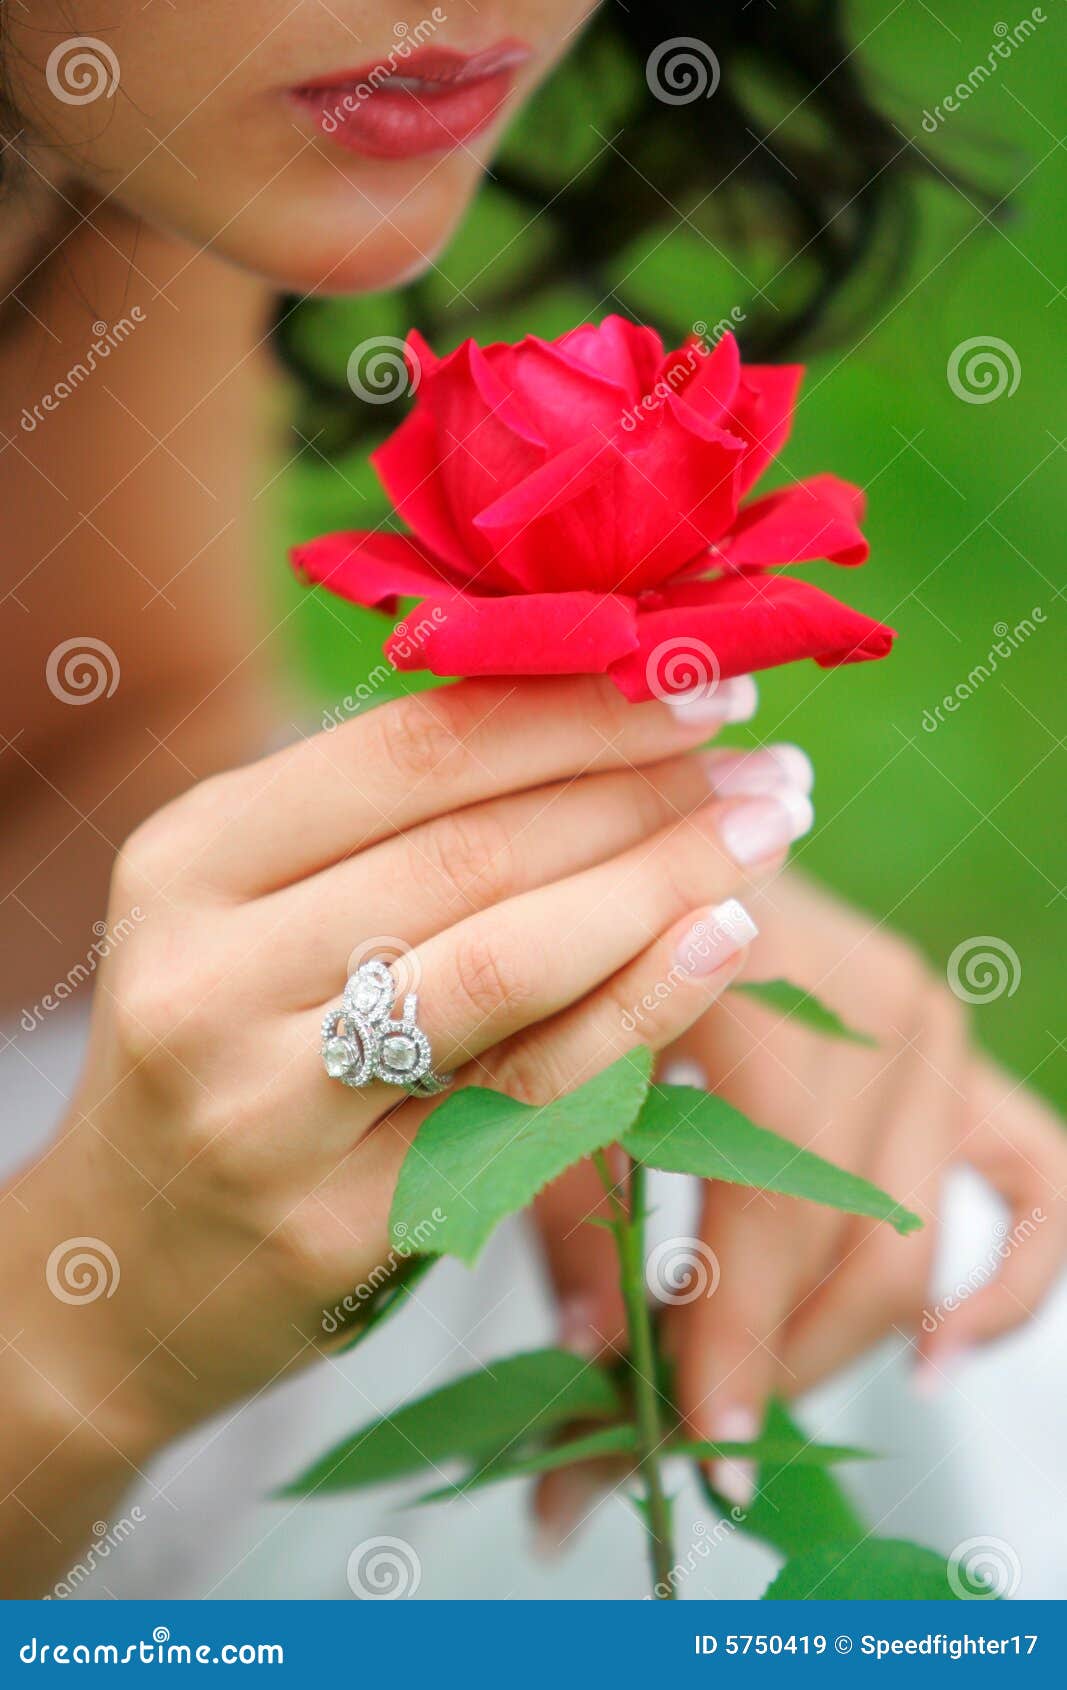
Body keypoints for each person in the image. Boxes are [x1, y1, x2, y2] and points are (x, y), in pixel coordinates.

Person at [1, 1, 1064, 1600]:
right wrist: (70, 1348)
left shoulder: (102, 129)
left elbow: (102, 732)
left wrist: (571, 923)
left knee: (864, 1249)